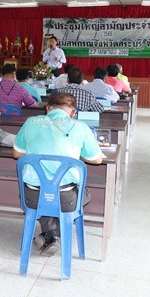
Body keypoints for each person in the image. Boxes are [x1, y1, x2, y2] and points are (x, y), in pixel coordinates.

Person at [12, 92, 103, 254]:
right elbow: (96, 159)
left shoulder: (31, 122)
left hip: (32, 197)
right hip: (66, 198)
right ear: (73, 112)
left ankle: (50, 235)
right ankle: (53, 234)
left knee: (46, 193)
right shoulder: (80, 126)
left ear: (48, 109)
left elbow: (17, 154)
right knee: (83, 194)